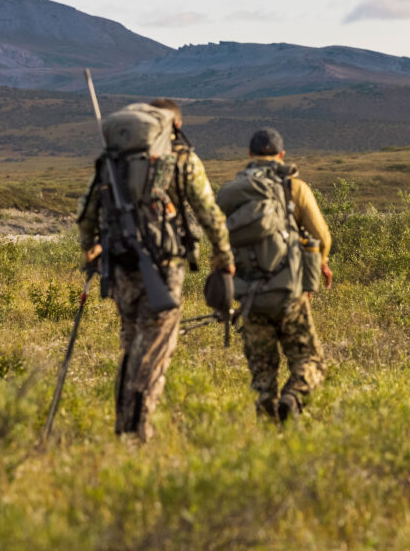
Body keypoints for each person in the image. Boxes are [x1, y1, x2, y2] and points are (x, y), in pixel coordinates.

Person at [76, 98, 233, 441]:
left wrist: (91, 251)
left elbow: (86, 213)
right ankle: (137, 433)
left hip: (120, 268)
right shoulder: (180, 159)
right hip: (163, 268)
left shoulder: (113, 161)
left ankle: (123, 427)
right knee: (155, 350)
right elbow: (209, 212)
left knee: (132, 344)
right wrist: (223, 257)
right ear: (174, 125)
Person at [219, 127, 331, 423]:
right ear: (281, 155)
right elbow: (322, 235)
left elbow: (219, 243)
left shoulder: (230, 193)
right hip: (289, 292)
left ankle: (269, 423)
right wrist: (322, 262)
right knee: (310, 361)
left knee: (263, 375)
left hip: (249, 296)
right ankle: (293, 399)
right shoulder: (294, 188)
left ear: (249, 154)